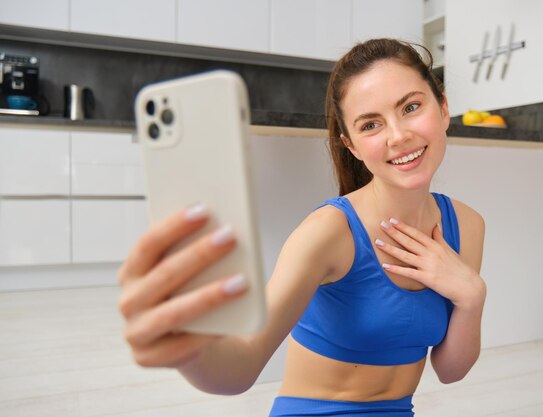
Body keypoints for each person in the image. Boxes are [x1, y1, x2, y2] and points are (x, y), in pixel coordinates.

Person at [117, 38, 487, 417]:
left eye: (411, 107)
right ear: (352, 145)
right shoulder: (328, 232)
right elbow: (240, 367)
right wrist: (189, 346)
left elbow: (450, 371)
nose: (398, 135)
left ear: (442, 109)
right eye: (371, 124)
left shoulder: (467, 226)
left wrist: (472, 297)